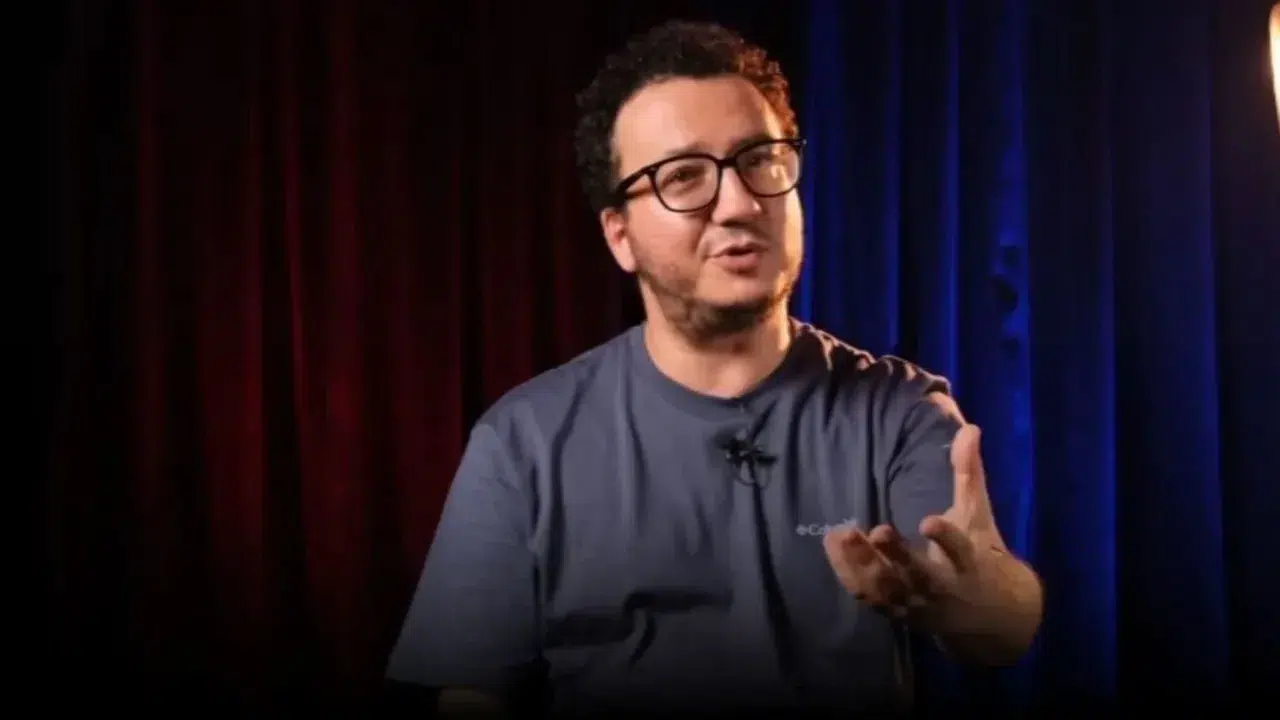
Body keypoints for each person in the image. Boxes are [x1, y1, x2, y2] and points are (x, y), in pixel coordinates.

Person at [385, 19, 1043, 718]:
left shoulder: (899, 410)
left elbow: (1004, 627)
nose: (739, 204)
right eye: (683, 177)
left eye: (761, 159)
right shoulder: (523, 441)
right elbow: (471, 695)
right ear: (619, 236)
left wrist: (975, 601)